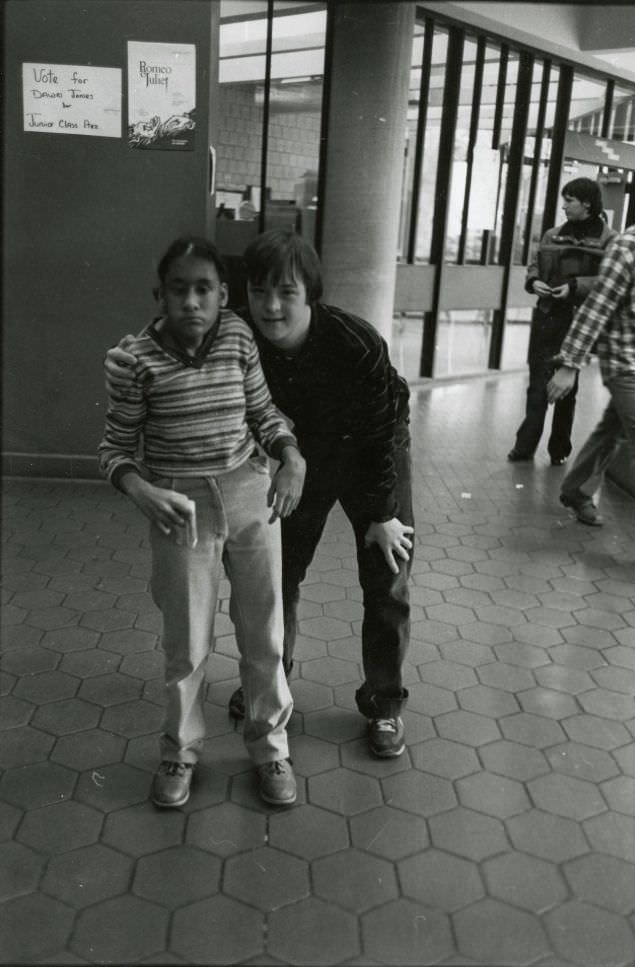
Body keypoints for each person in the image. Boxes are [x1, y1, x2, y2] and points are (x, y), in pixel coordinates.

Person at [105, 229, 415, 759]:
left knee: (386, 579)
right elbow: (177, 324)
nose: (272, 306)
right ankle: (270, 687)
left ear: (309, 293)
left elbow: (382, 431)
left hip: (371, 457)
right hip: (295, 461)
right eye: (261, 291)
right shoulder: (239, 331)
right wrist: (126, 356)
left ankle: (384, 703)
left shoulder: (354, 341)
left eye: (287, 293)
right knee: (281, 577)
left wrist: (382, 513)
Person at [99, 236, 306, 809]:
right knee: (186, 643)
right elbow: (114, 449)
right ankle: (180, 751)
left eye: (204, 289)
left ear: (222, 295)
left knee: (264, 632)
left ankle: (270, 747)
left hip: (250, 495)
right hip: (180, 508)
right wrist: (143, 491)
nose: (192, 301)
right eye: (179, 289)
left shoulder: (239, 337)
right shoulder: (135, 361)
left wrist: (288, 454)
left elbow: (263, 411)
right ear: (159, 296)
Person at [508, 178, 616, 466]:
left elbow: (608, 280)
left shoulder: (609, 240)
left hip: (578, 321)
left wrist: (574, 285)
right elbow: (535, 262)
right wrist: (534, 282)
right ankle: (525, 446)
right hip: (547, 315)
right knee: (537, 384)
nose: (564, 205)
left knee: (568, 389)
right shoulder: (553, 235)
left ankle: (559, 449)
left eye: (570, 200)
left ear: (587, 203)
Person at [547, 221, 635, 526]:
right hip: (626, 362)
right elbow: (596, 307)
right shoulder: (628, 248)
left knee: (612, 429)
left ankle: (576, 490)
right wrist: (569, 363)